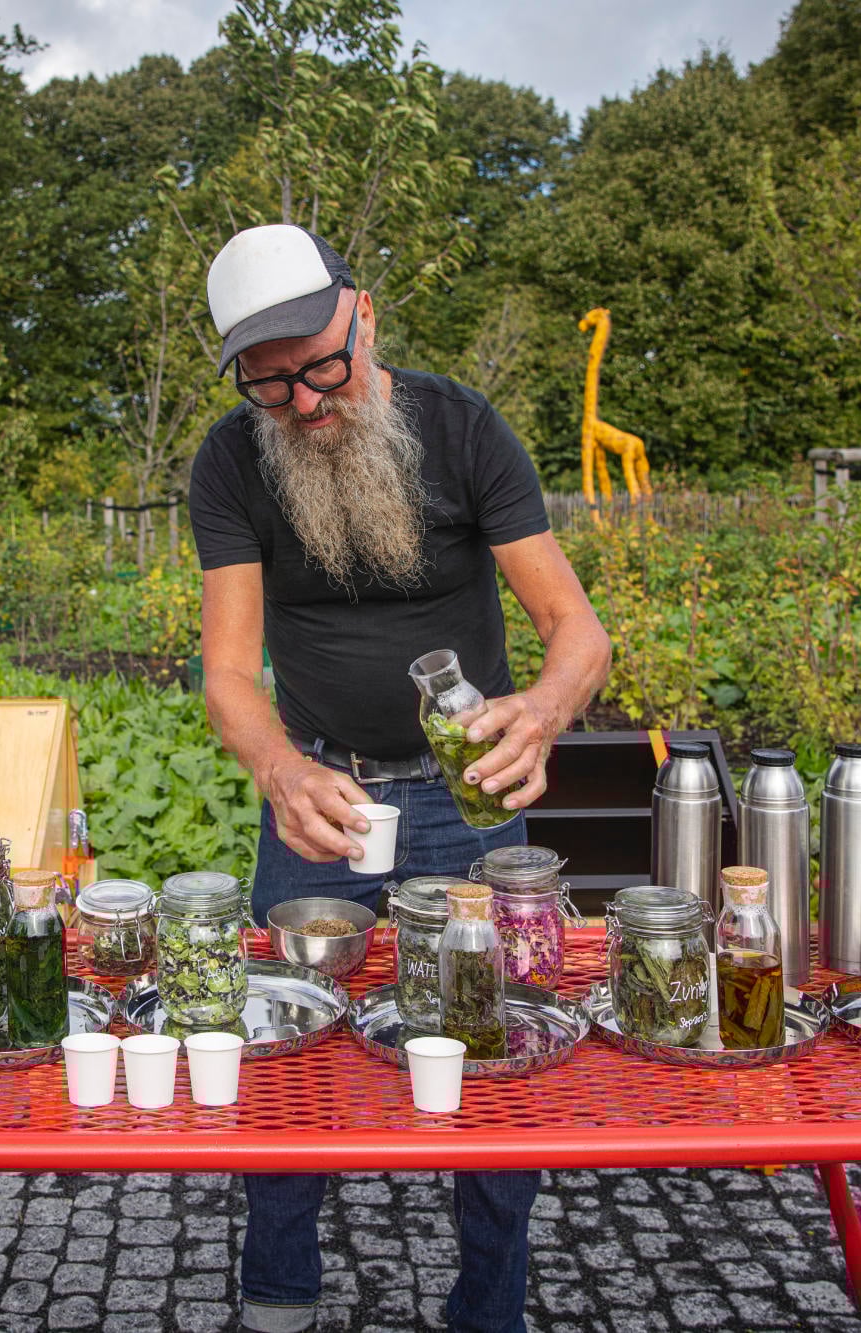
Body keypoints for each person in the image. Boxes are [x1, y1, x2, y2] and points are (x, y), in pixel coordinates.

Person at [187, 223, 612, 1333]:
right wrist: (278, 769)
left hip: (463, 798)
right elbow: (228, 672)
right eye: (270, 386)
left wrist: (545, 708)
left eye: (320, 366)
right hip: (319, 794)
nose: (306, 403)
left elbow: (575, 627)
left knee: (493, 1040)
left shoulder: (463, 429)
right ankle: (280, 1289)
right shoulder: (233, 460)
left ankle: (487, 1303)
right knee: (285, 1039)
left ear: (361, 313)